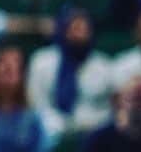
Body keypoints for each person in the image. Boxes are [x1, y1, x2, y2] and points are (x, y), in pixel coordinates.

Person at [26, 7, 114, 141]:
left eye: (84, 30)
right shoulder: (42, 61)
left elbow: (110, 109)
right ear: (63, 31)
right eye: (74, 29)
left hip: (93, 131)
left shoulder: (104, 66)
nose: (79, 35)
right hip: (51, 131)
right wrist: (60, 125)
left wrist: (90, 125)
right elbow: (36, 104)